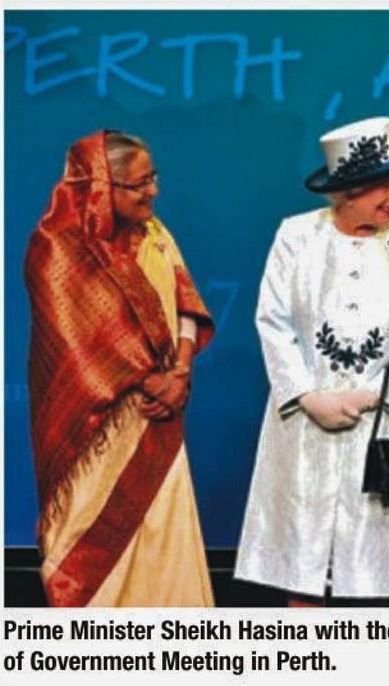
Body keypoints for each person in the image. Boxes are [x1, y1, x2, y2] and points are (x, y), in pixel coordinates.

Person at [235, 116, 389, 605]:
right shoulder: (296, 236)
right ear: (349, 191)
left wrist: (373, 396)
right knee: (301, 564)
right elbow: (273, 320)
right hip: (304, 423)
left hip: (377, 424)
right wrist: (308, 396)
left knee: (370, 571)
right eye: (383, 186)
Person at [24, 130, 215, 607]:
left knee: (164, 537)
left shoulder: (155, 233)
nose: (153, 191)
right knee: (96, 540)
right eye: (139, 183)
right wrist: (152, 380)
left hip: (160, 414)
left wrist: (181, 372)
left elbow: (186, 304)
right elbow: (75, 341)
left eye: (153, 178)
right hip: (98, 424)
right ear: (100, 188)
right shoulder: (56, 248)